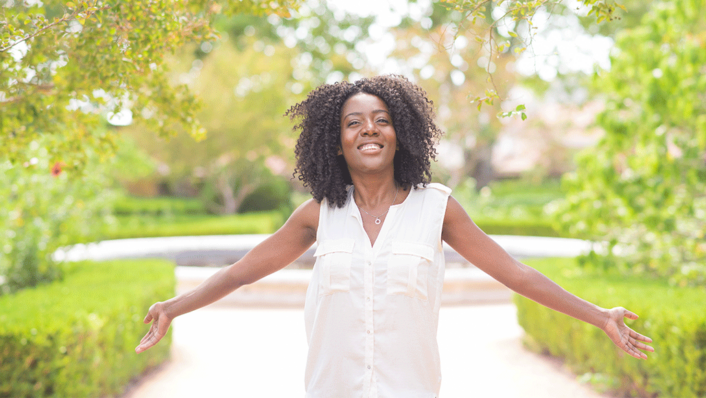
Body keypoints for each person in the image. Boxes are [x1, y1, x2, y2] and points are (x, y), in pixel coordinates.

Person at [135, 75, 654, 397]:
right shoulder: (319, 213)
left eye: (381, 121)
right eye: (353, 122)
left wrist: (599, 316)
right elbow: (240, 272)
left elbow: (515, 273)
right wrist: (174, 306)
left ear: (398, 134)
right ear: (335, 142)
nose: (368, 129)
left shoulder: (437, 208)